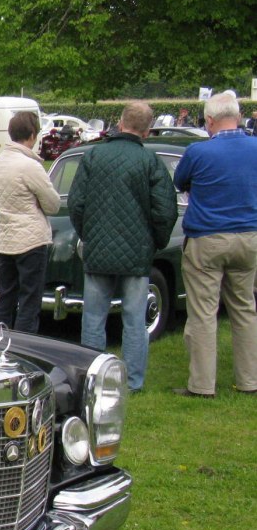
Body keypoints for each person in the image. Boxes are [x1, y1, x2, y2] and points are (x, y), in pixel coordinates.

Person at [67, 101, 177, 393]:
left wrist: (88, 233)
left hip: (99, 248)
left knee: (93, 317)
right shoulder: (150, 161)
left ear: (120, 121)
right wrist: (156, 242)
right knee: (134, 320)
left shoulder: (93, 156)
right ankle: (132, 382)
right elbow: (165, 210)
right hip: (137, 251)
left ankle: (92, 378)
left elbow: (76, 204)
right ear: (147, 129)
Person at [170, 91, 257, 397]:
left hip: (207, 237)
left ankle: (202, 385)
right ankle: (249, 380)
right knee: (245, 308)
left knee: (204, 312)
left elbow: (180, 183)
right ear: (238, 114)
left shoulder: (198, 151)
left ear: (209, 120)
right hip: (248, 236)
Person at [0, 111, 62, 333]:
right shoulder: (29, 165)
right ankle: (23, 349)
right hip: (31, 240)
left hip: (6, 237)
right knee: (29, 300)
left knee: (5, 297)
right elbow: (52, 204)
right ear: (32, 135)